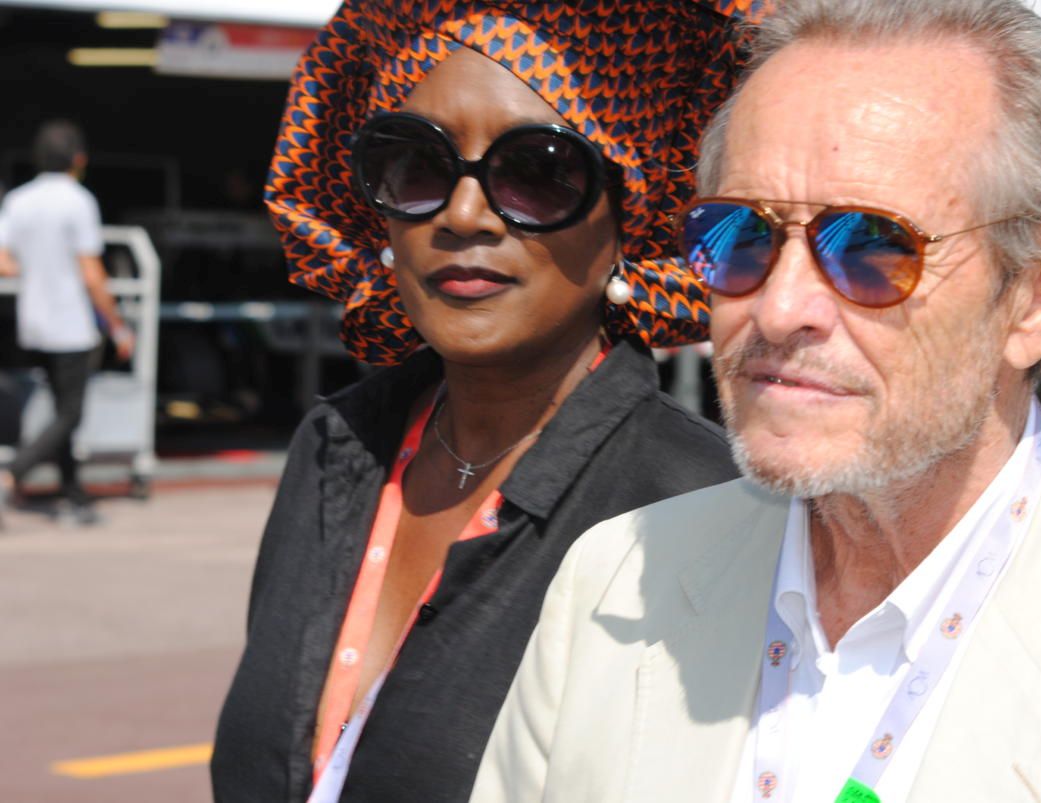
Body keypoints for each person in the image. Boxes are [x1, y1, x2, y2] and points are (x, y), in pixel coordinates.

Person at [471, 1, 1041, 801]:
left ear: (1040, 292)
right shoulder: (612, 579)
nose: (780, 308)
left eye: (870, 247)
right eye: (739, 234)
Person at [210, 2, 758, 801]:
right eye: (416, 165)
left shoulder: (701, 507)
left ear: (628, 215)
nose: (463, 215)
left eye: (536, 172)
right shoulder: (334, 447)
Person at [0, 120, 133, 524]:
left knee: (62, 412)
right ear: (78, 159)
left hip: (33, 321)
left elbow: (4, 261)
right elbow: (92, 274)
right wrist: (116, 324)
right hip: (70, 324)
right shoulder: (78, 200)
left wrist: (33, 269)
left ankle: (73, 494)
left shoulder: (19, 199)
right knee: (70, 413)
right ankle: (13, 473)